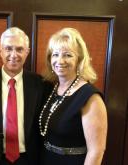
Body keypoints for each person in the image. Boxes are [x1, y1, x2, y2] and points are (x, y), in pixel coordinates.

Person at [0, 27, 44, 165]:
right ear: (0, 50)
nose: (14, 54)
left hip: (29, 159)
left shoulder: (40, 84)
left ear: (27, 52)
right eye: (8, 48)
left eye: (19, 49)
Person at [39, 28, 108, 165]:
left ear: (79, 60)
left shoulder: (90, 97)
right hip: (46, 159)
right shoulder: (51, 89)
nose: (60, 60)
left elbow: (97, 150)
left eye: (68, 55)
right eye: (55, 54)